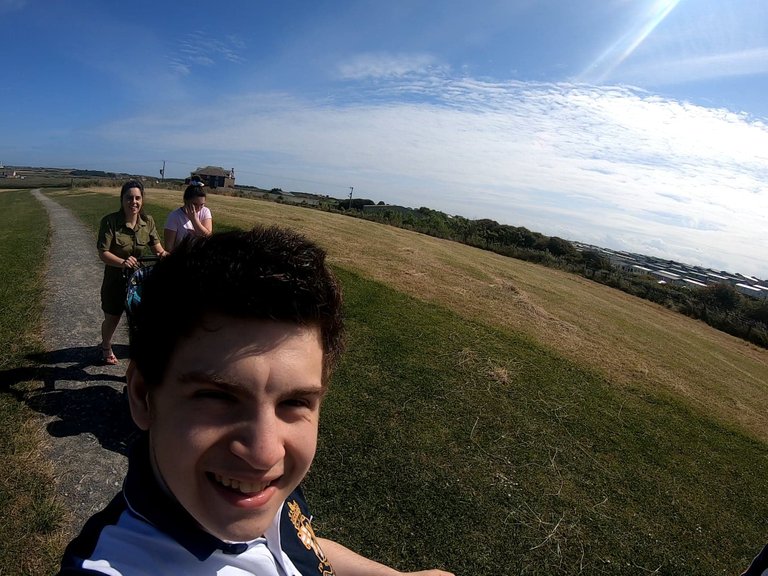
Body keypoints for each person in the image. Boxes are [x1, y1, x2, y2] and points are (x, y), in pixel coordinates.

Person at [59, 225, 454, 576]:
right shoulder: (112, 566)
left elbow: (303, 548)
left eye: (295, 402)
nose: (264, 454)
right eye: (216, 397)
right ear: (144, 396)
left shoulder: (249, 490)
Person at [96, 180, 167, 365]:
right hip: (115, 280)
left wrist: (165, 255)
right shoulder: (110, 222)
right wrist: (122, 262)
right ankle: (106, 346)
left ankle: (139, 357)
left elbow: (157, 248)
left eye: (137, 198)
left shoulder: (148, 222)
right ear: (122, 199)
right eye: (129, 198)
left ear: (142, 200)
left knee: (140, 322)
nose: (133, 202)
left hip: (137, 283)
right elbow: (103, 253)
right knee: (112, 318)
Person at [163, 181, 213, 251]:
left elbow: (208, 237)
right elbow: (169, 248)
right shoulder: (174, 216)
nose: (198, 208)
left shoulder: (205, 211)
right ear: (186, 201)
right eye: (195, 204)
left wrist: (194, 220)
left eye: (202, 205)